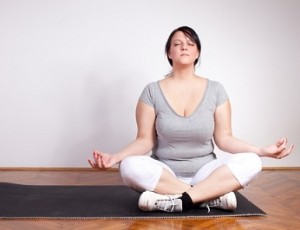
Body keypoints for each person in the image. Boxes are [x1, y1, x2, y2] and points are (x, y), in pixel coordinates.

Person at [88, 26, 294, 213]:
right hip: (165, 173)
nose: (184, 47)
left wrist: (261, 151)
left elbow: (225, 139)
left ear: (198, 53)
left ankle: (176, 200)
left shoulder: (216, 90)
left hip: (206, 172)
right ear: (169, 53)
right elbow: (144, 141)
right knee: (128, 166)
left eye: (190, 43)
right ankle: (207, 197)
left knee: (252, 161)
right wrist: (115, 158)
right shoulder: (152, 91)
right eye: (177, 44)